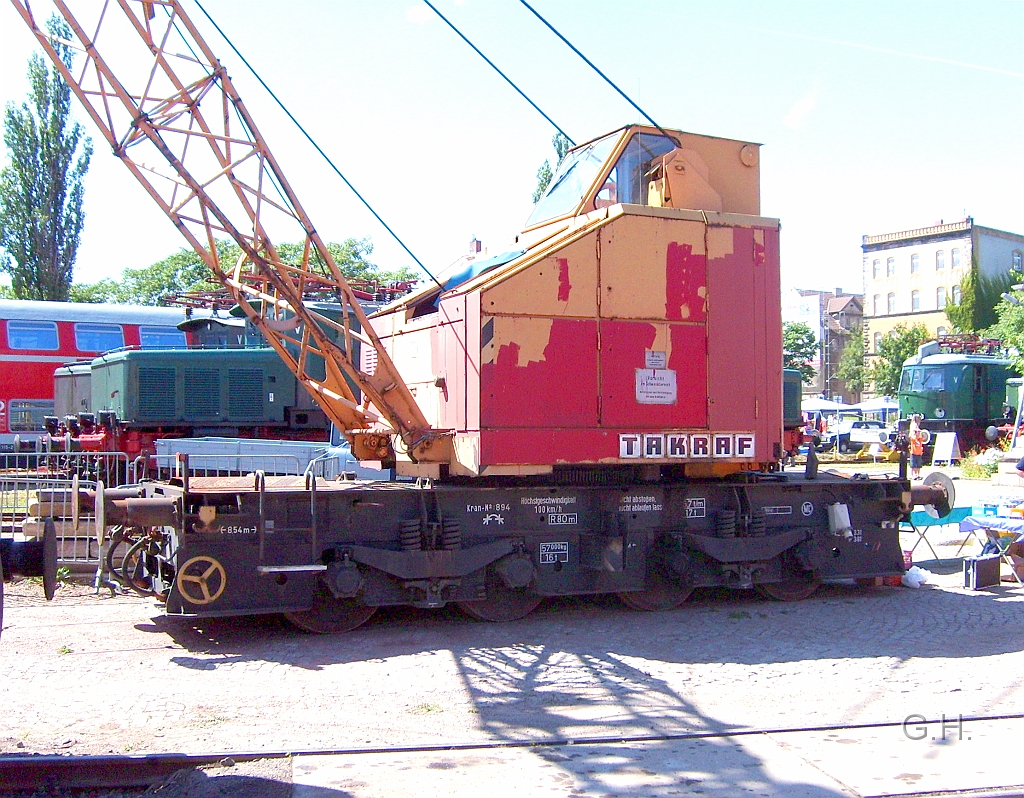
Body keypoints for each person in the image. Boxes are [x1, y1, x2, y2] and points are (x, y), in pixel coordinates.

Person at [908, 414, 926, 480]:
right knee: (913, 465)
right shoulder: (914, 424)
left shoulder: (920, 439)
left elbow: (922, 436)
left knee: (918, 465)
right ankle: (913, 475)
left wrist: (920, 434)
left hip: (918, 452)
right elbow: (912, 434)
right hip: (914, 451)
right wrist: (915, 433)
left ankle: (917, 475)